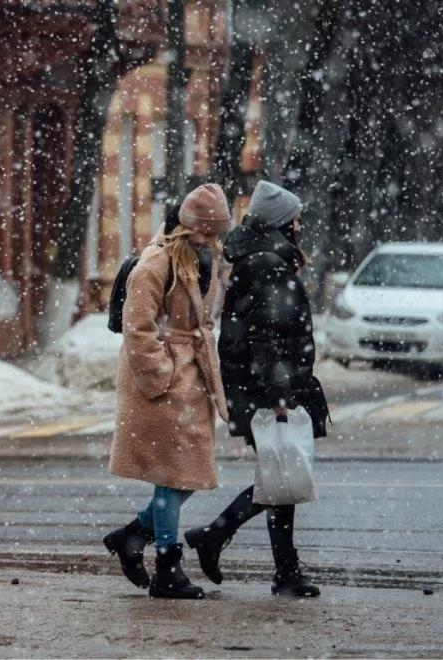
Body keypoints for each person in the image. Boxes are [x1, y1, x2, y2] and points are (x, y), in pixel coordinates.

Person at [184, 180, 329, 598]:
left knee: (279, 476)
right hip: (267, 387)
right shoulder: (267, 262)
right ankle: (219, 538)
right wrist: (279, 394)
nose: (300, 225)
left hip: (264, 384)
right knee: (280, 475)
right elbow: (265, 334)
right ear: (283, 222)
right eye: (295, 218)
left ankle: (267, 562)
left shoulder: (265, 257)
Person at [103, 184, 231, 599]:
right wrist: (163, 372)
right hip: (164, 383)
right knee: (172, 475)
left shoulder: (200, 257)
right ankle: (168, 568)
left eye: (216, 234)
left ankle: (133, 535)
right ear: (186, 227)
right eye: (205, 233)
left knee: (188, 473)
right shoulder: (155, 263)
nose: (211, 242)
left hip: (190, 377)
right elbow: (136, 327)